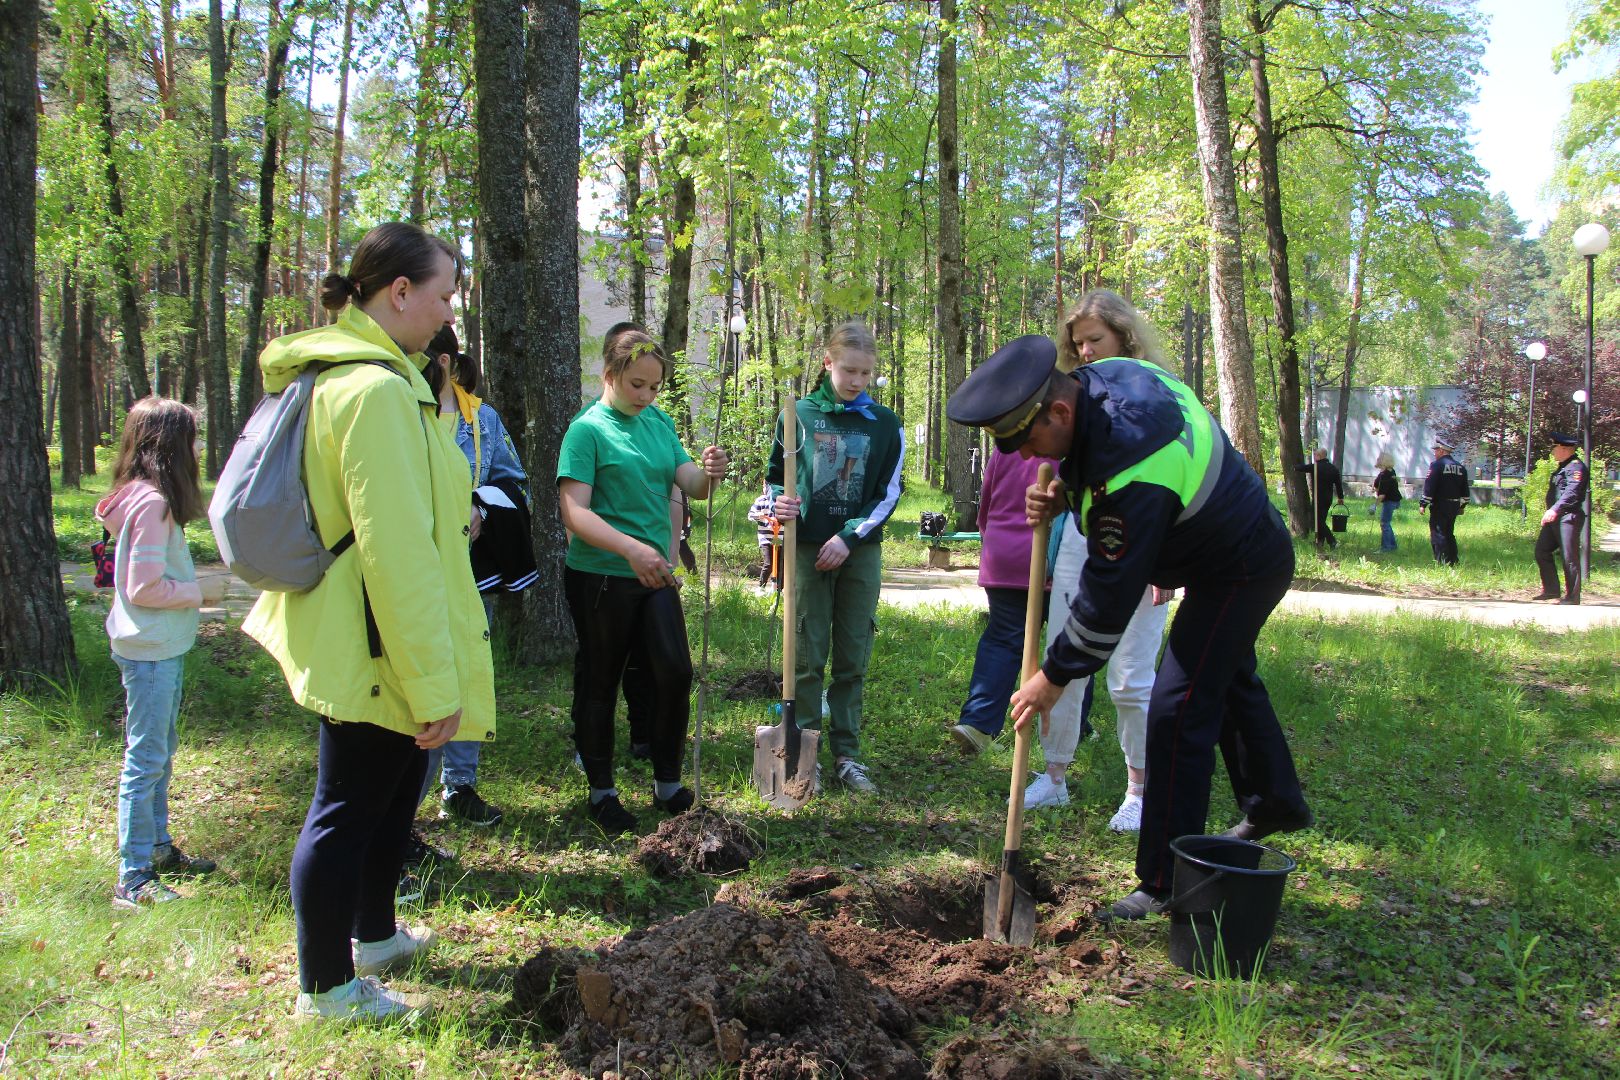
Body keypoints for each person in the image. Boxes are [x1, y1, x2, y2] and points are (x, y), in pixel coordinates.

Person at [950, 334, 1312, 921]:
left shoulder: (1135, 472)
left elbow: (1107, 599)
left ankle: (1166, 881)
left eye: (1025, 439)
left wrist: (1055, 675)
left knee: (1178, 703)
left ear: (1060, 410)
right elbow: (1100, 462)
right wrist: (1067, 493)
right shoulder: (1110, 375)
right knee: (1227, 679)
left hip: (1239, 564)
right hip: (1214, 541)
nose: (1020, 456)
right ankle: (1275, 801)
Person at [244, 221, 495, 1022]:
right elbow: (395, 554)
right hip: (376, 637)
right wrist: (430, 680)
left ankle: (375, 936)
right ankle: (326, 987)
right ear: (399, 293)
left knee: (391, 796)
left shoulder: (381, 378)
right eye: (444, 293)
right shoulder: (378, 391)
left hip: (373, 627)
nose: (448, 309)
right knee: (347, 806)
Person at [557, 328, 728, 833]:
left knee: (674, 670)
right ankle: (602, 791)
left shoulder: (657, 420)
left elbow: (690, 483)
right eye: (636, 384)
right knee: (601, 680)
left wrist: (710, 471)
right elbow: (573, 512)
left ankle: (668, 784)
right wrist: (629, 548)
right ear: (608, 375)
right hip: (602, 575)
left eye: (654, 387)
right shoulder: (587, 430)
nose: (646, 396)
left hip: (654, 573)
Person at [1022, 290, 1171, 831]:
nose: (1085, 351)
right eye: (1078, 342)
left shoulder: (1154, 397)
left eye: (1096, 340)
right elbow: (1082, 479)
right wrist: (1055, 494)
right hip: (1085, 543)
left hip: (1147, 549)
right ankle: (1053, 775)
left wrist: (1164, 567)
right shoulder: (1077, 399)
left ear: (1125, 338)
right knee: (1064, 657)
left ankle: (1139, 789)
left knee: (1130, 676)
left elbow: (1164, 487)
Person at [95, 397, 224, 909]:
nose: (197, 449)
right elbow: (144, 587)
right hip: (150, 647)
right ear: (171, 446)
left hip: (151, 644)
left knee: (158, 751)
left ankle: (158, 847)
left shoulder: (137, 497)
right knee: (146, 759)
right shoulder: (152, 505)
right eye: (192, 439)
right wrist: (203, 592)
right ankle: (133, 875)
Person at [768, 321, 905, 795]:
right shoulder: (799, 415)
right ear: (828, 363)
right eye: (849, 370)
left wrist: (849, 537)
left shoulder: (885, 425)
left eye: (865, 373)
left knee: (853, 655)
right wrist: (778, 506)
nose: (856, 381)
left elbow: (889, 493)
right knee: (806, 654)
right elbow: (774, 480)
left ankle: (847, 755)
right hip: (806, 550)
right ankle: (805, 757)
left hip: (858, 553)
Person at [413, 325, 533, 829]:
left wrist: (480, 503)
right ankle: (403, 798)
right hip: (408, 574)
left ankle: (458, 785)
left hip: (467, 573)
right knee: (413, 677)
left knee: (462, 672)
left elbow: (512, 479)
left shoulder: (479, 419)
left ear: (440, 361)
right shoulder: (396, 411)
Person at [948, 446, 1055, 756]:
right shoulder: (1069, 442)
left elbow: (986, 505)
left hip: (1004, 554)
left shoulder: (1007, 445)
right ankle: (1071, 728)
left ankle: (978, 724)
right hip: (1049, 558)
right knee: (1066, 645)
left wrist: (991, 540)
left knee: (1003, 638)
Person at [1532, 432, 1589, 604]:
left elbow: (1571, 493)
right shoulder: (1563, 467)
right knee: (1542, 551)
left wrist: (1554, 509)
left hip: (1567, 517)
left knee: (1569, 557)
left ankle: (1572, 596)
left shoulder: (1576, 467)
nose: (1552, 451)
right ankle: (1551, 590)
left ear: (1565, 449)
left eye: (1554, 447)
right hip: (1555, 518)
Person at [1419, 438, 1469, 565]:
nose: (1435, 454)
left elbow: (1430, 486)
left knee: (1438, 532)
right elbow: (1465, 489)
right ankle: (1453, 559)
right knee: (1449, 532)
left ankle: (1441, 561)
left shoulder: (1437, 466)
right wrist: (1462, 505)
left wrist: (1423, 504)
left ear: (1441, 451)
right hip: (1454, 505)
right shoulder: (1460, 467)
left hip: (1440, 505)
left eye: (1436, 451)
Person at [1293, 448, 1346, 549]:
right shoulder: (1333, 469)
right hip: (1328, 498)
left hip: (1318, 498)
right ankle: (1320, 541)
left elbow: (1302, 468)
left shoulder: (1316, 467)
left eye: (1315, 455)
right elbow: (1338, 484)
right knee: (1321, 519)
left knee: (1318, 520)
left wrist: (1294, 467)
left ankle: (1332, 540)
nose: (1314, 457)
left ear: (1319, 456)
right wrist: (1340, 497)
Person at [747, 480, 784, 593]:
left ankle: (779, 589)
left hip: (780, 537)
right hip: (765, 537)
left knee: (780, 564)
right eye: (765, 486)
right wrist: (759, 516)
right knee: (769, 563)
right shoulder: (760, 500)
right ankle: (761, 587)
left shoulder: (781, 500)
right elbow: (750, 515)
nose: (767, 489)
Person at [1372, 452, 1402, 552]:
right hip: (1394, 500)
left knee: (1384, 523)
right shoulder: (1389, 471)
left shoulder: (1386, 475)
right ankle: (1392, 545)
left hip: (1390, 501)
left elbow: (1382, 495)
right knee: (1386, 523)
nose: (1377, 459)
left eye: (1379, 458)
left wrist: (1374, 506)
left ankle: (1386, 547)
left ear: (1383, 461)